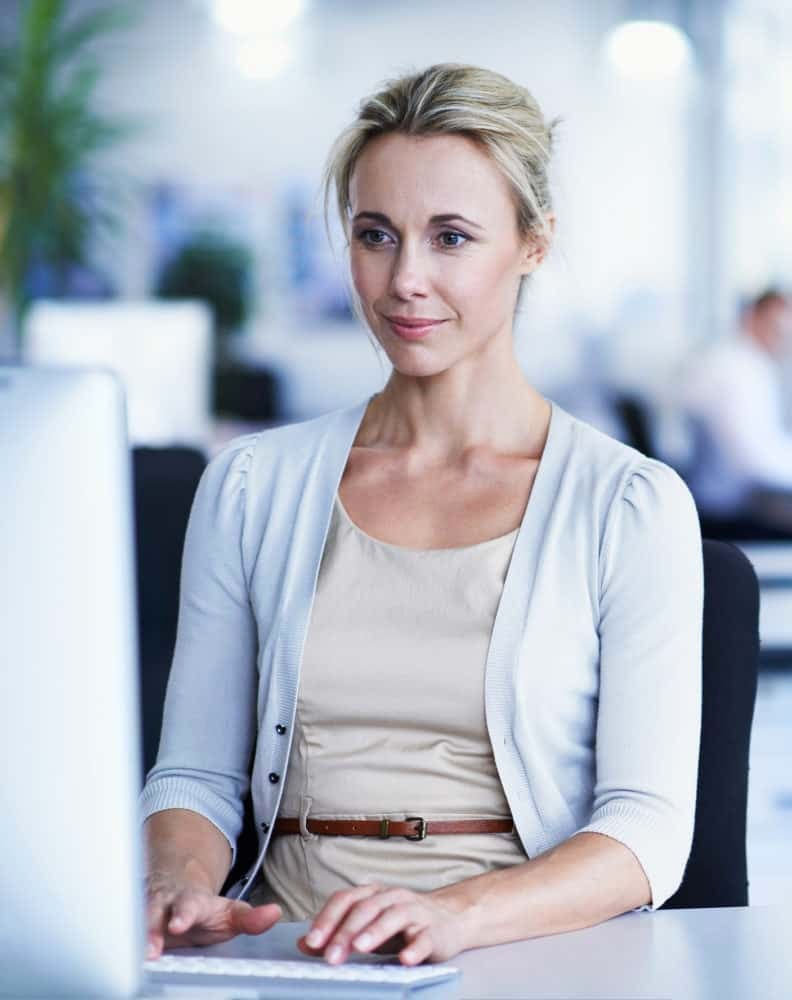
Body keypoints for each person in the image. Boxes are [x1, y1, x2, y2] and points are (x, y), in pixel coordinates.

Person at [141, 63, 704, 968]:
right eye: (376, 235)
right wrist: (177, 884)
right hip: (290, 956)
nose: (405, 279)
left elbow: (647, 830)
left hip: (523, 952)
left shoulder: (627, 506)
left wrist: (455, 916)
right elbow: (195, 778)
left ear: (533, 243)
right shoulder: (251, 486)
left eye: (451, 237)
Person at [678, 288, 792, 533]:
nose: (782, 339)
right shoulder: (743, 370)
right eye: (776, 328)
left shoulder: (726, 359)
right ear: (751, 317)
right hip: (732, 507)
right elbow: (754, 460)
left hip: (716, 497)